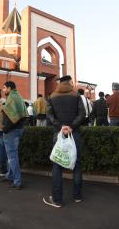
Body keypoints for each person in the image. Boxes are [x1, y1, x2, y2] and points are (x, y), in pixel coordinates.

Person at [43, 75, 85, 208]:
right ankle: (77, 195)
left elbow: (49, 116)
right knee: (77, 164)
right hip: (74, 132)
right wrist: (71, 126)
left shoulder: (52, 96)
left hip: (59, 133)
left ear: (59, 83)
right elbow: (82, 114)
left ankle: (57, 199)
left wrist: (61, 127)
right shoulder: (76, 95)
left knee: (57, 164)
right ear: (70, 83)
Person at [1, 81, 28, 190]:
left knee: (12, 156)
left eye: (4, 88)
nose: (3, 90)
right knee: (12, 155)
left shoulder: (11, 98)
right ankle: (10, 175)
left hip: (11, 131)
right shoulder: (19, 96)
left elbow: (11, 118)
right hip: (19, 129)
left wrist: (5, 129)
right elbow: (24, 115)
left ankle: (17, 181)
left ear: (9, 88)